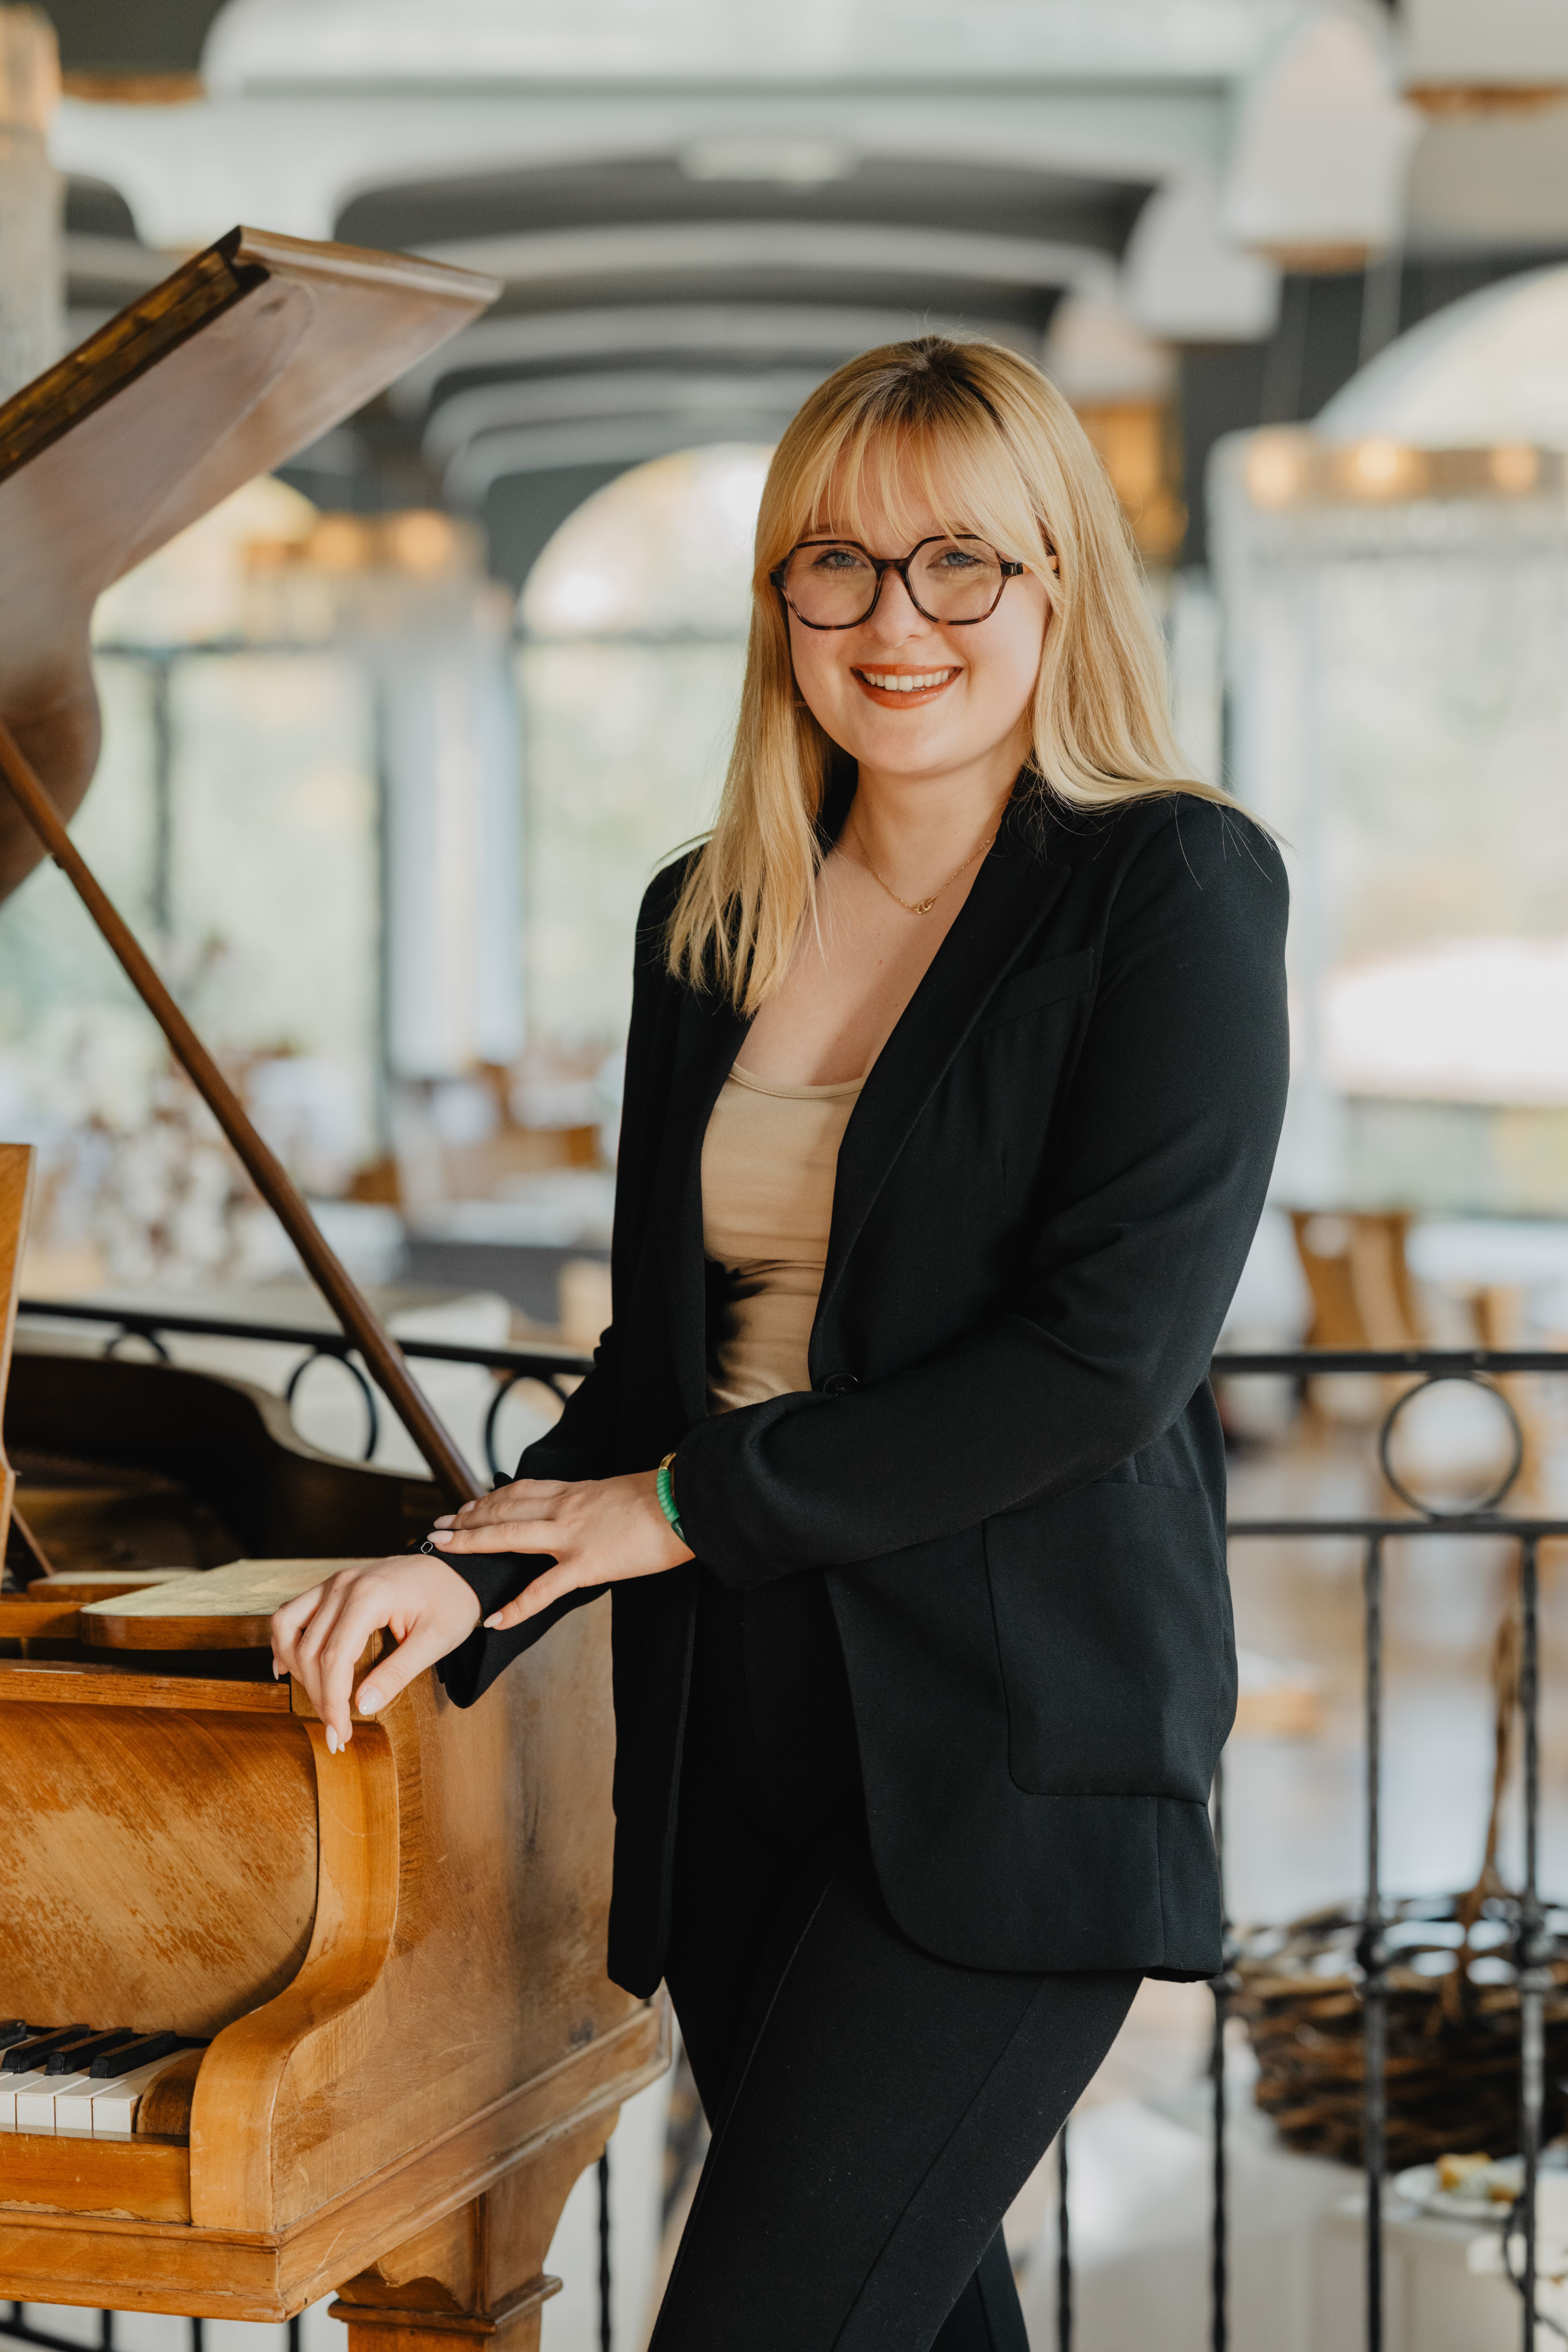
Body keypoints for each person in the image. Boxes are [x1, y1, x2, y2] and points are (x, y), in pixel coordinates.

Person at [271, 335, 1289, 2351]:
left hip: (1010, 1771)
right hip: (740, 1771)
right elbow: (660, 1374)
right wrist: (449, 1567)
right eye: (836, 565)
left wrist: (674, 1504)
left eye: (958, 566)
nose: (894, 621)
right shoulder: (705, 918)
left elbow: (1101, 1364)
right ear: (779, 604)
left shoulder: (1168, 887)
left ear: (1059, 583)